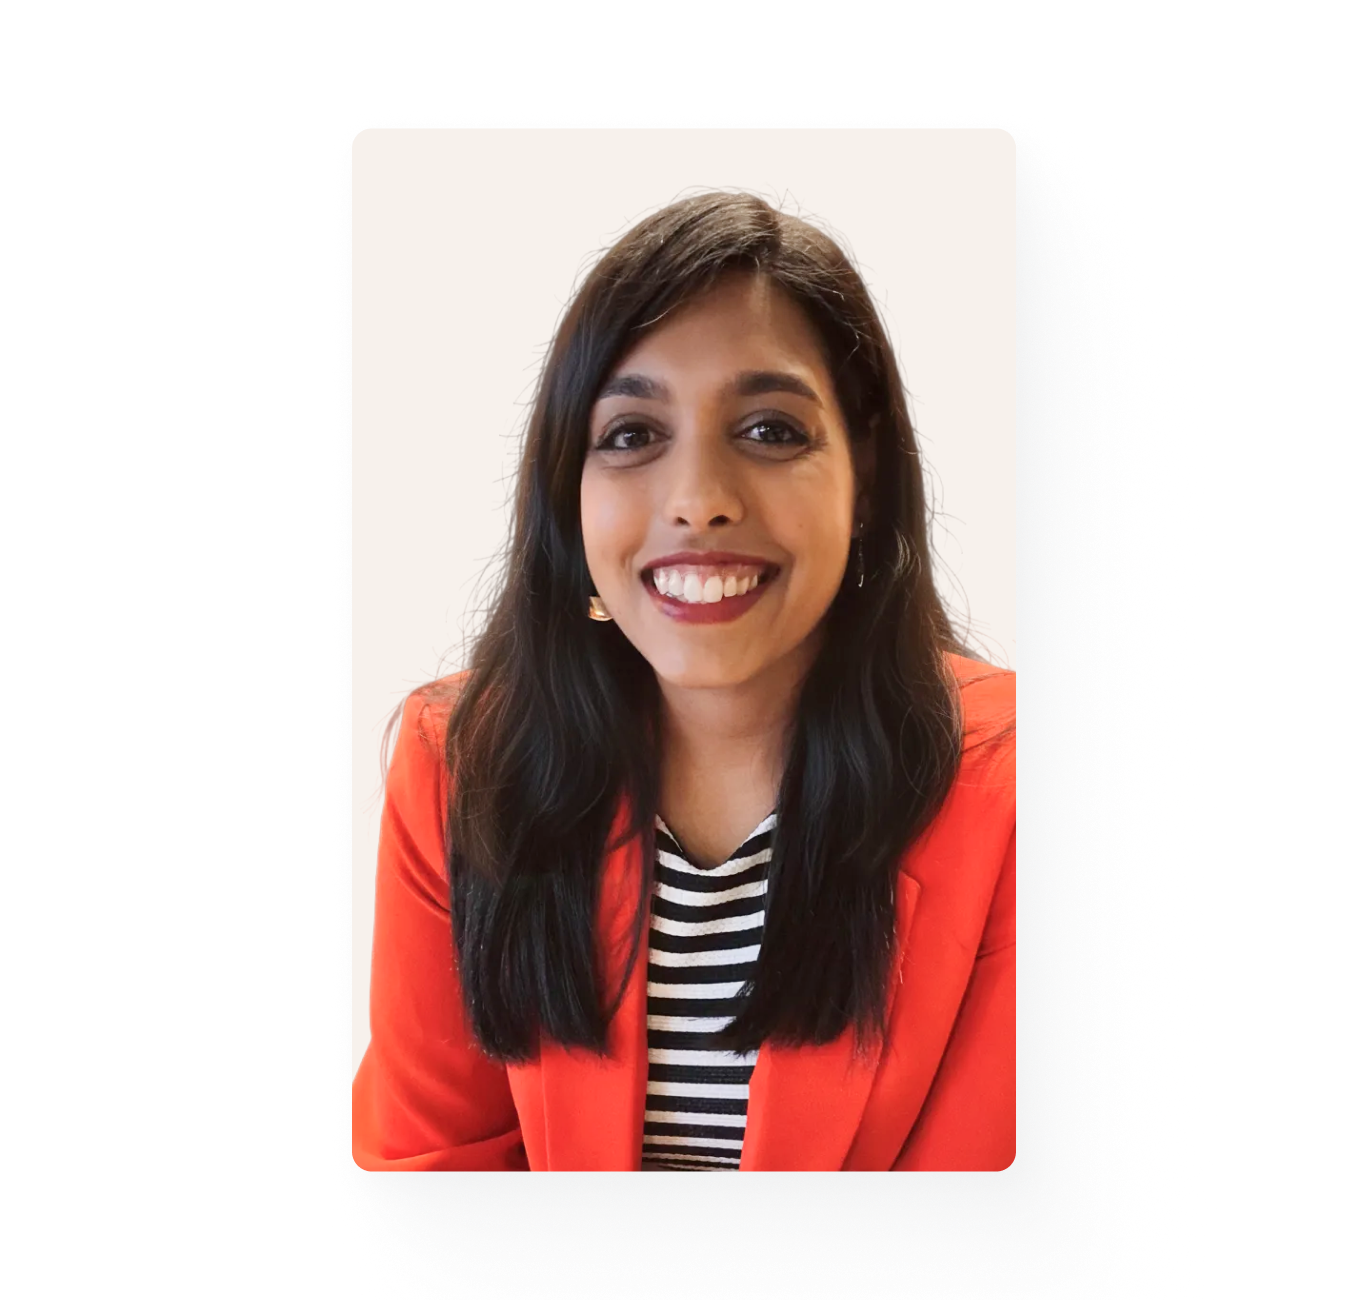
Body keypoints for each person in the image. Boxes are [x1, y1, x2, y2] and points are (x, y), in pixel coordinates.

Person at [351, 191, 1015, 1173]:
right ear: (567, 488)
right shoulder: (459, 761)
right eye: (630, 435)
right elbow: (424, 1189)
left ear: (865, 478)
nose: (700, 500)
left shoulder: (1035, 790)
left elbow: (986, 1243)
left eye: (770, 430)